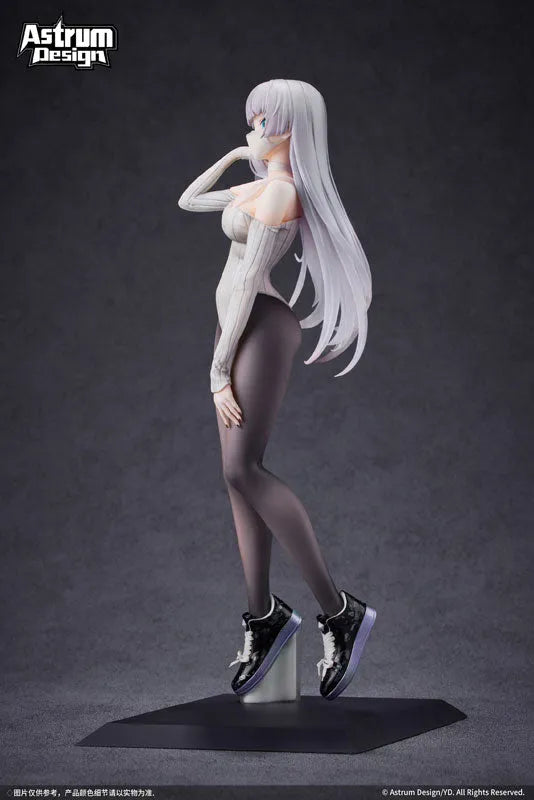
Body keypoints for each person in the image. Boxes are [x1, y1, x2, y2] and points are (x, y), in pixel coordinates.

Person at [178, 79, 376, 700]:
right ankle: (263, 615)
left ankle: (339, 611)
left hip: (259, 328)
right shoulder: (260, 185)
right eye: (252, 118)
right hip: (236, 330)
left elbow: (246, 283)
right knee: (236, 475)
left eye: (262, 119)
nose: (253, 126)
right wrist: (237, 156)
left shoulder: (282, 193)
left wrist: (218, 371)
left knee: (244, 468)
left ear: (289, 127)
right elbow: (189, 200)